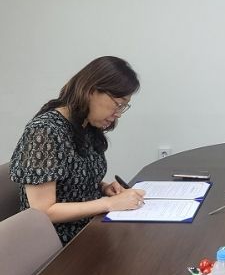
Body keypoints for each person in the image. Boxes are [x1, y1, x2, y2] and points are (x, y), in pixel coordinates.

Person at [10, 56, 145, 245]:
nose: (118, 114)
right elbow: (42, 211)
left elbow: (70, 180)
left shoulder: (85, 125)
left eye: (124, 107)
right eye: (118, 104)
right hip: (56, 242)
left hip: (88, 228)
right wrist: (108, 203)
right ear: (91, 91)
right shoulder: (44, 131)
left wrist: (103, 188)